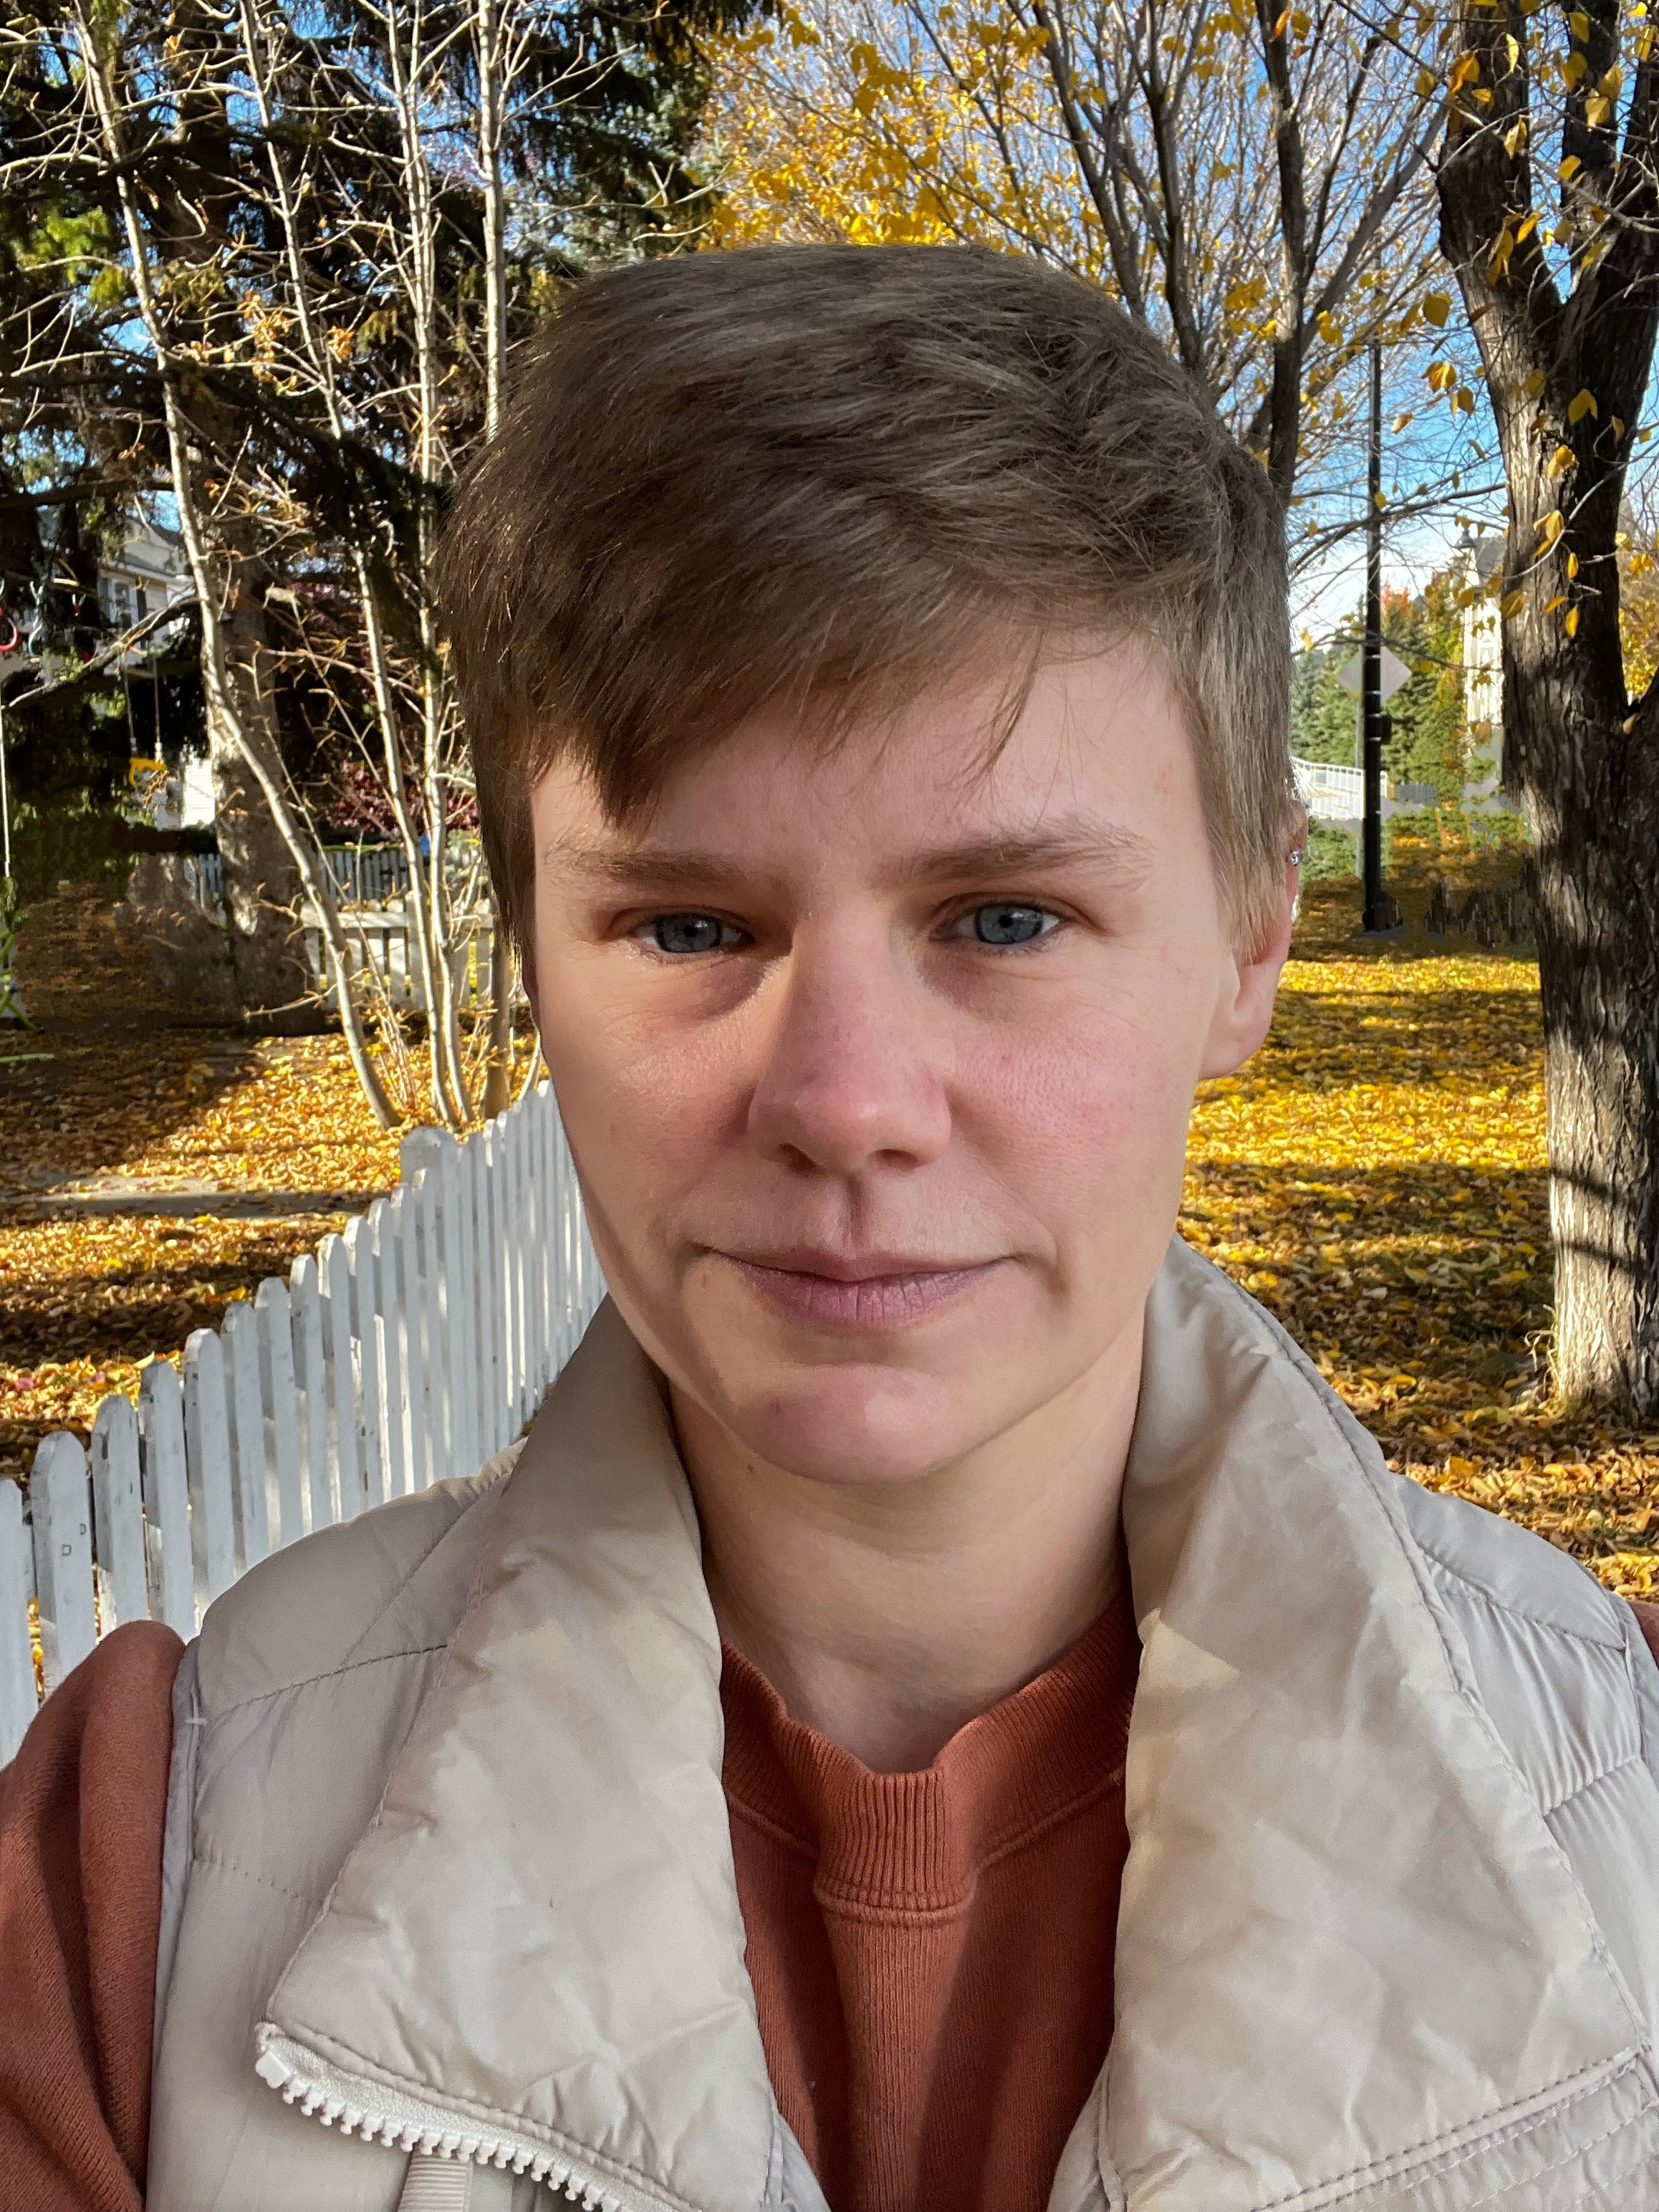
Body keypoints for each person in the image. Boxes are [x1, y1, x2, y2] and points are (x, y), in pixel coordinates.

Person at [4, 245, 1659, 2212]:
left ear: (1246, 941)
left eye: (1005, 919)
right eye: (690, 926)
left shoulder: (1621, 1810)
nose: (848, 1102)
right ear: (534, 954)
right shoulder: (133, 1879)